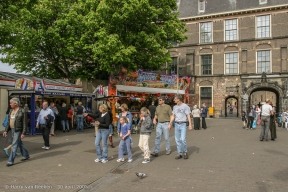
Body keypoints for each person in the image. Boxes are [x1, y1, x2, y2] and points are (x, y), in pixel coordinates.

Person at [2, 98, 30, 166]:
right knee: (19, 143)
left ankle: (10, 161)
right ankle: (26, 155)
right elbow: (9, 122)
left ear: (15, 103)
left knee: (14, 145)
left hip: (18, 130)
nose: (10, 104)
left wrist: (23, 133)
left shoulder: (22, 111)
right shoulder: (11, 111)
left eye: (11, 103)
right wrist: (6, 130)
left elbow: (24, 123)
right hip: (12, 130)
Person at [169, 95, 192, 160]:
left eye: (175, 99)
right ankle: (179, 153)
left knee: (182, 139)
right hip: (176, 124)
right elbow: (173, 116)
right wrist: (170, 123)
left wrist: (190, 124)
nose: (174, 100)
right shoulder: (175, 107)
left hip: (183, 124)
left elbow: (188, 115)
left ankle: (185, 151)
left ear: (179, 99)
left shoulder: (185, 106)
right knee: (177, 140)